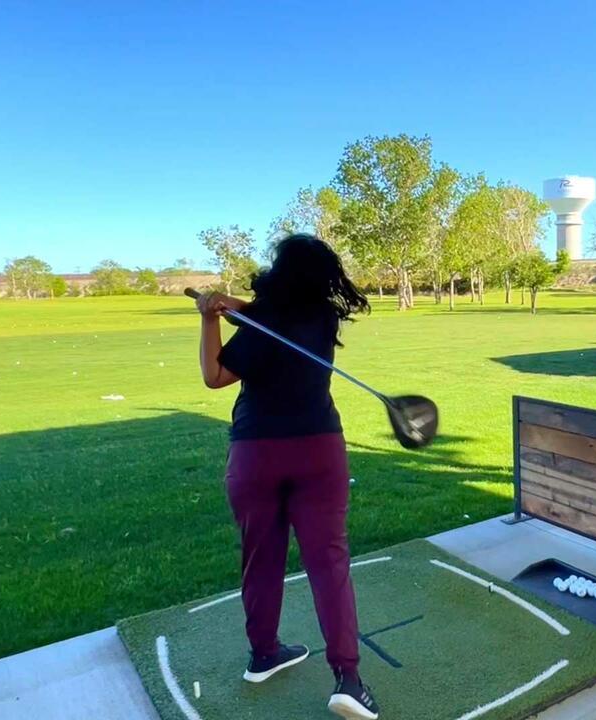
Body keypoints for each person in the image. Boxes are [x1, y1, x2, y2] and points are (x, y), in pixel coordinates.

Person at [195, 233, 380, 720]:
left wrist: (209, 319)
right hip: (319, 452)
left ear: (277, 275)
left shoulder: (260, 324)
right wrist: (231, 306)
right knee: (329, 563)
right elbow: (268, 312)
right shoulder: (324, 318)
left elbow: (215, 376)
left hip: (255, 455)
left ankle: (263, 654)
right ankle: (348, 678)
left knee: (261, 557)